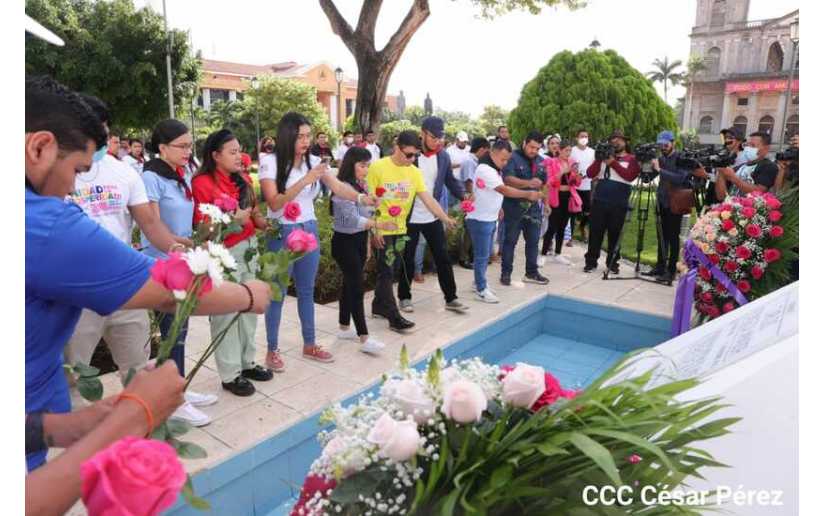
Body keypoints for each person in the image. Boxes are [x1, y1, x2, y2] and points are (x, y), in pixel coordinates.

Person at [25, 76, 271, 472]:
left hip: (33, 421)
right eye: (76, 169)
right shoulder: (43, 222)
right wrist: (247, 295)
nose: (73, 186)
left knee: (134, 359)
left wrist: (67, 427)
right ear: (39, 146)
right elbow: (161, 289)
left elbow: (155, 227)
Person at [64, 95, 186, 400]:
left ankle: (142, 432)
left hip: (125, 288)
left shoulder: (124, 173)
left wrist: (177, 250)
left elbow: (150, 223)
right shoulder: (58, 173)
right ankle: (77, 438)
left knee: (137, 370)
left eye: (103, 131)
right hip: (77, 293)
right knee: (72, 374)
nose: (100, 139)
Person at [260, 112, 374, 369]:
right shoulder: (270, 161)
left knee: (306, 290)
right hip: (282, 231)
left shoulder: (313, 160)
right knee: (277, 292)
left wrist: (360, 198)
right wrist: (306, 180)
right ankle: (272, 349)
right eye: (300, 136)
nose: (305, 140)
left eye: (308, 135)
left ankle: (309, 344)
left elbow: (337, 186)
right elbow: (275, 203)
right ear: (286, 136)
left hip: (308, 228)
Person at [141, 119, 219, 425]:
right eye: (182, 146)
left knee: (181, 329)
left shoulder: (182, 173)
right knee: (172, 330)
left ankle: (180, 387)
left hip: (185, 257)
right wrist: (189, 241)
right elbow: (153, 225)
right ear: (162, 148)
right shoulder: (150, 177)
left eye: (190, 145)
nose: (189, 151)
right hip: (163, 260)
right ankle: (172, 400)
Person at [193, 129, 273, 396]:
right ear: (215, 155)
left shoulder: (243, 179)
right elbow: (203, 230)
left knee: (249, 306)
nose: (239, 156)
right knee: (225, 311)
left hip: (248, 248)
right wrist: (232, 221)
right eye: (233, 152)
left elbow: (254, 211)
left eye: (240, 150)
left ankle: (247, 362)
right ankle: (230, 373)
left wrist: (262, 222)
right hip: (222, 252)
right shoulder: (202, 183)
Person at [368, 130, 457, 331]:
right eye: (408, 154)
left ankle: (378, 306)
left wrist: (445, 218)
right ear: (396, 148)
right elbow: (369, 202)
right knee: (387, 270)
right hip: (382, 228)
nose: (412, 159)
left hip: (401, 228)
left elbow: (427, 199)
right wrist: (375, 229)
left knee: (391, 270)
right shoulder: (378, 167)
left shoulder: (414, 172)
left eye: (415, 155)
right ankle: (393, 316)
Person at [398, 117, 468, 315]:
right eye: (433, 137)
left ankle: (451, 298)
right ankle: (404, 297)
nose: (437, 141)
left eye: (440, 137)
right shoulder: (411, 154)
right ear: (423, 133)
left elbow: (450, 181)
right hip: (410, 216)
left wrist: (463, 195)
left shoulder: (443, 156)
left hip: (432, 215)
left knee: (443, 257)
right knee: (408, 258)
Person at [331, 146, 397, 354]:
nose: (366, 169)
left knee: (348, 283)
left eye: (368, 165)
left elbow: (366, 213)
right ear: (351, 165)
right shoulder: (342, 188)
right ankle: (364, 338)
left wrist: (371, 233)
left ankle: (344, 327)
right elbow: (351, 219)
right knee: (356, 288)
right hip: (344, 242)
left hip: (358, 240)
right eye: (362, 165)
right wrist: (380, 226)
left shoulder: (362, 185)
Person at [468, 141, 542, 303]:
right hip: (480, 219)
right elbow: (503, 189)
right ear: (493, 153)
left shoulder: (493, 169)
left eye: (507, 160)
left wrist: (498, 208)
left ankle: (478, 282)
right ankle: (481, 289)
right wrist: (528, 194)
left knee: (484, 254)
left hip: (488, 217)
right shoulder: (485, 169)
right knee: (482, 256)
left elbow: (491, 192)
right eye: (503, 159)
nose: (505, 163)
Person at [643, 130, 708, 283]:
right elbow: (647, 179)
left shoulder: (681, 158)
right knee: (661, 236)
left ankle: (671, 271)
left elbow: (680, 178)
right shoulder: (660, 158)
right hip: (662, 201)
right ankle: (660, 267)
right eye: (661, 145)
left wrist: (660, 170)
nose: (663, 147)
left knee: (672, 237)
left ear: (673, 143)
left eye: (666, 144)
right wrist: (646, 166)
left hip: (676, 203)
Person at [583, 130, 641, 274]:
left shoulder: (632, 159)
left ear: (625, 142)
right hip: (600, 200)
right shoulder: (603, 156)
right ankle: (591, 262)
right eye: (613, 140)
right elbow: (590, 174)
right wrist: (599, 159)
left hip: (619, 202)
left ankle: (612, 262)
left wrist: (613, 163)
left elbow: (630, 176)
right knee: (595, 232)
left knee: (615, 234)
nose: (616, 142)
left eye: (619, 140)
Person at [500, 131, 549, 286]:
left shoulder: (542, 162)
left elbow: (545, 184)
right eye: (531, 147)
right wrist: (529, 184)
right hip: (513, 207)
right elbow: (507, 179)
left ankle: (531, 273)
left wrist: (545, 201)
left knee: (534, 242)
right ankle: (506, 274)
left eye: (537, 148)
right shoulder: (512, 157)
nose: (534, 151)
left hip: (534, 209)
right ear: (524, 143)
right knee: (510, 241)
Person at [541, 139, 583, 264]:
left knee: (563, 226)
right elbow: (548, 182)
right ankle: (543, 254)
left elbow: (576, 183)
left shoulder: (573, 163)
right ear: (559, 150)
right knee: (552, 226)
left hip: (568, 197)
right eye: (566, 150)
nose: (568, 153)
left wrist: (577, 176)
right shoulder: (552, 162)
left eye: (570, 150)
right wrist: (562, 172)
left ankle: (558, 253)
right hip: (556, 196)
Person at [457, 137, 491, 269]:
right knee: (468, 230)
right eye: (487, 151)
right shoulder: (469, 161)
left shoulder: (476, 161)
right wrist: (472, 200)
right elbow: (468, 182)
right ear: (481, 149)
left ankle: (472, 255)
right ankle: (463, 258)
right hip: (469, 200)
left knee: (472, 229)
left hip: (475, 200)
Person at [715, 131, 779, 199]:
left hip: (749, 208)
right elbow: (721, 196)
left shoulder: (769, 166)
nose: (748, 148)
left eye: (753, 145)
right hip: (731, 207)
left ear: (766, 148)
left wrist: (733, 177)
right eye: (746, 145)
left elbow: (759, 192)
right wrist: (721, 172)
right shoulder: (740, 167)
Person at [570, 129, 595, 242]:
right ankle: (569, 235)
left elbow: (594, 168)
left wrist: (588, 176)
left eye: (586, 136)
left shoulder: (592, 152)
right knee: (572, 211)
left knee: (587, 211)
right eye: (582, 136)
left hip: (587, 185)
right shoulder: (572, 151)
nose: (584, 138)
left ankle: (582, 227)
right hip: (573, 186)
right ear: (577, 138)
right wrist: (575, 176)